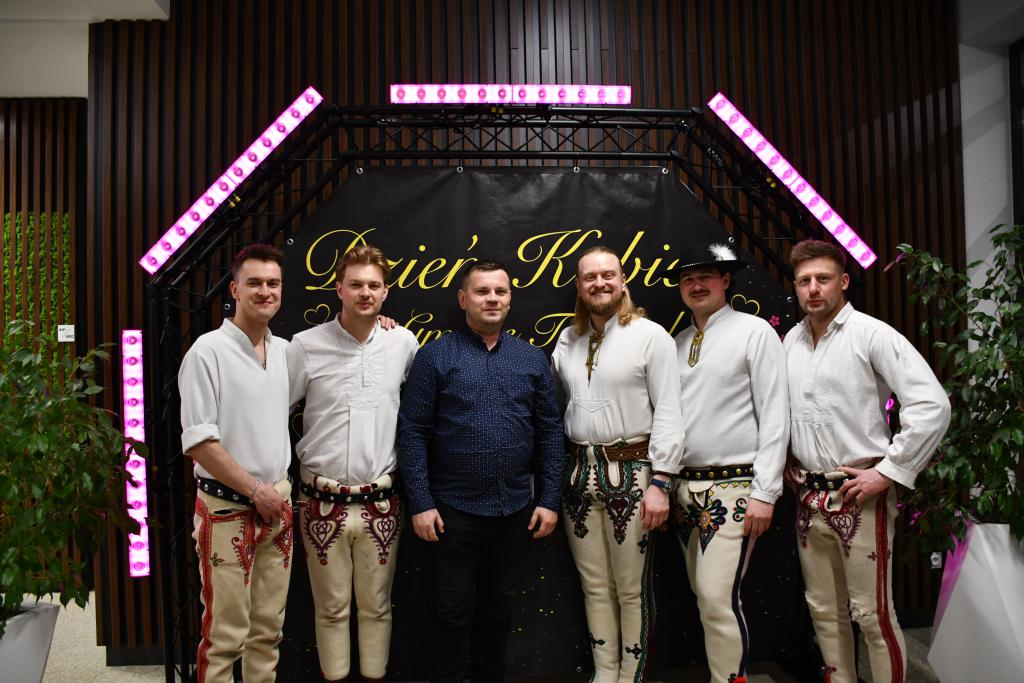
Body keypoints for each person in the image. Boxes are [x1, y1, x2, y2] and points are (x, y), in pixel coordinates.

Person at [784, 239, 950, 683]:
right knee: (823, 611)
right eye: (804, 281)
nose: (813, 288)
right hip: (807, 496)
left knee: (873, 615)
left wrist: (888, 471)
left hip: (860, 495)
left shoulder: (872, 334)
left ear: (843, 282)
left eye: (822, 279)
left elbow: (932, 405)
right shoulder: (790, 342)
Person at [397, 260, 564, 683]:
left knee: (499, 612)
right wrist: (420, 502)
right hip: (451, 513)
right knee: (451, 614)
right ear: (463, 299)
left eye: (500, 291)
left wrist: (549, 499)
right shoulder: (434, 356)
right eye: (482, 291)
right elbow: (413, 432)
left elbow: (549, 432)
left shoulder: (531, 359)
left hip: (515, 511)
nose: (492, 299)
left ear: (509, 299)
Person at [551, 246, 684, 683]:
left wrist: (661, 482)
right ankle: (604, 674)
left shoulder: (651, 336)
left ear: (623, 280)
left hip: (633, 473)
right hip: (578, 472)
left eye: (608, 274)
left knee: (631, 589)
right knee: (593, 587)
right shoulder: (568, 340)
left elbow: (670, 411)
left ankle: (632, 676)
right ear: (578, 286)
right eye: (590, 277)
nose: (599, 283)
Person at [287, 245, 418, 683]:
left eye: (373, 286)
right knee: (330, 609)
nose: (365, 293)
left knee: (378, 607)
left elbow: (420, 414)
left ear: (386, 293)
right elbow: (275, 411)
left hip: (382, 500)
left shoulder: (403, 343)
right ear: (338, 288)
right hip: (319, 500)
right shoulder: (305, 346)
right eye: (356, 284)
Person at [671, 242, 789, 683]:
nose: (696, 285)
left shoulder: (754, 332)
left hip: (735, 486)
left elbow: (776, 413)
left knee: (717, 597)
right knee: (704, 595)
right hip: (685, 490)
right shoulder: (678, 343)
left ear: (725, 280)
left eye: (705, 276)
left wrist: (765, 492)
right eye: (688, 279)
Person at [179, 243, 293, 683]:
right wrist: (254, 490)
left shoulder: (285, 352)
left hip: (277, 505)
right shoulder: (207, 352)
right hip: (227, 507)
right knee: (224, 636)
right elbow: (199, 443)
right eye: (255, 283)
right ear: (234, 289)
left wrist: (381, 324)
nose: (265, 291)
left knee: (268, 630)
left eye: (273, 283)